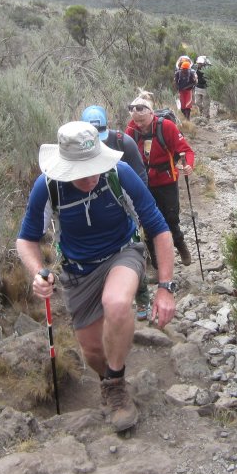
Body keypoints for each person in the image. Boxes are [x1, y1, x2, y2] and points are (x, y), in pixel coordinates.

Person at [16, 121, 177, 432]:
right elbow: (26, 239)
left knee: (116, 303)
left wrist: (165, 288)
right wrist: (38, 273)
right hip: (78, 270)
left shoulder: (119, 174)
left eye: (94, 167)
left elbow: (158, 227)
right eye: (81, 170)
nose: (91, 176)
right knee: (92, 350)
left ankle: (116, 389)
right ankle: (110, 381)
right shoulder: (48, 187)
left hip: (122, 252)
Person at [81, 104, 152, 319]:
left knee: (132, 249)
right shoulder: (78, 148)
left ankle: (142, 299)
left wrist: (139, 210)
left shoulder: (123, 142)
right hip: (92, 208)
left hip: (125, 205)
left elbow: (141, 176)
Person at [125, 92, 195, 267]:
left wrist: (188, 165)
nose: (139, 125)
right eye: (136, 121)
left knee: (171, 219)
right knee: (148, 222)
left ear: (151, 114)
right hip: (143, 183)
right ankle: (157, 264)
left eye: (142, 121)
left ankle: (181, 245)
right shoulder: (131, 130)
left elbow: (185, 151)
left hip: (167, 180)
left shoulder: (167, 127)